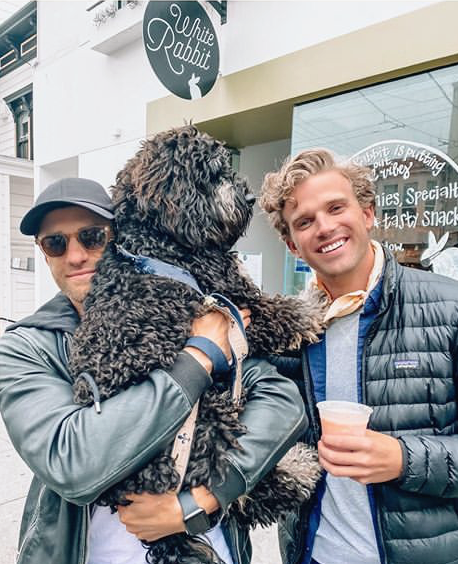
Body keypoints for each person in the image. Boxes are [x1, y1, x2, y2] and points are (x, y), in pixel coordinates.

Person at [0, 177, 307, 564]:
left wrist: (203, 499)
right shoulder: (27, 347)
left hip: (211, 549)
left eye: (92, 237)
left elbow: (281, 401)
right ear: (44, 254)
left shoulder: (182, 306)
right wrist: (199, 356)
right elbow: (71, 462)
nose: (75, 256)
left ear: (119, 238)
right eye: (55, 243)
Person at [260, 149, 458, 564]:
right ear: (292, 245)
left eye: (336, 208)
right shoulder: (288, 334)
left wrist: (404, 460)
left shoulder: (449, 308)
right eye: (305, 222)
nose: (325, 227)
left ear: (367, 213)